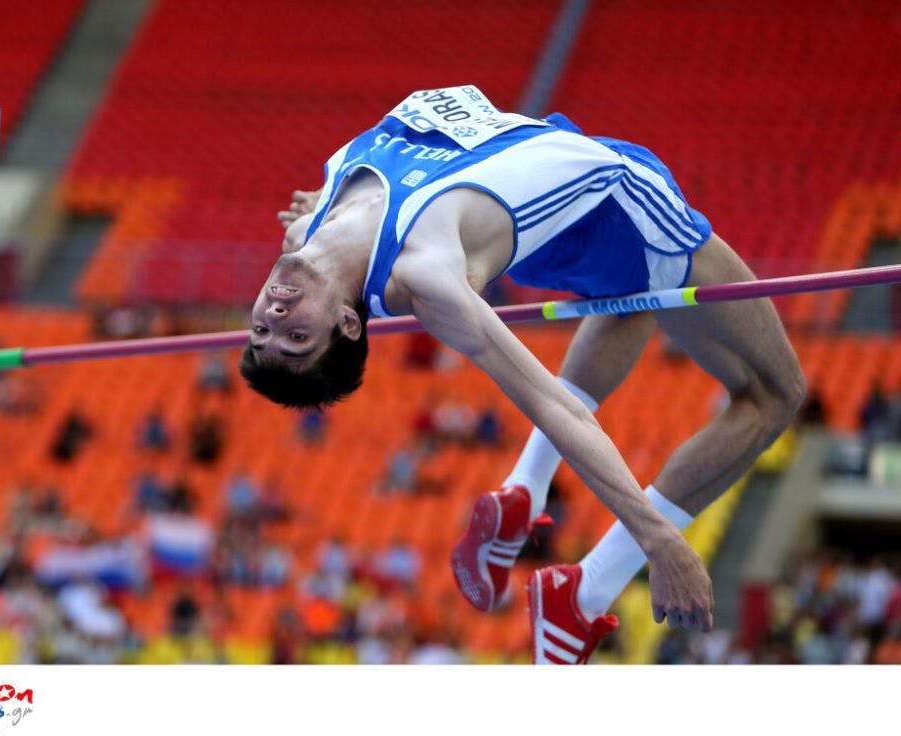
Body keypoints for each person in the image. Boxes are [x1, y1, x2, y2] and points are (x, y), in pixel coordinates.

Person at [239, 85, 805, 664]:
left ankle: (524, 491)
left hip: (548, 209)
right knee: (777, 394)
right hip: (617, 202)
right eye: (297, 338)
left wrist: (321, 204)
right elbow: (556, 407)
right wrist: (659, 540)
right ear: (346, 323)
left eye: (262, 331)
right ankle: (589, 590)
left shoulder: (309, 230)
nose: (275, 320)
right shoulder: (427, 277)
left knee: (629, 300)